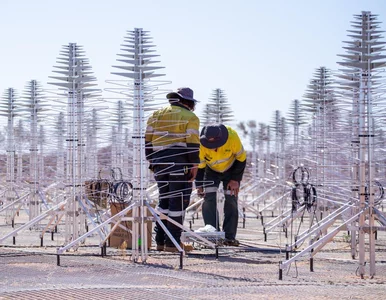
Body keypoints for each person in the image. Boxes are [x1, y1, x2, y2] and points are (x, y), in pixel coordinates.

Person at [145, 87, 200, 252]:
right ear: (188, 102)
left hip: (159, 163)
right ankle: (173, 243)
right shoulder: (190, 117)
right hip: (179, 164)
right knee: (178, 202)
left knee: (164, 201)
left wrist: (153, 161)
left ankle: (160, 241)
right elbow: (192, 143)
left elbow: (147, 141)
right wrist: (194, 165)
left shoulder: (155, 114)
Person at [195, 124, 246, 246]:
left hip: (231, 169)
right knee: (208, 199)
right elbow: (200, 167)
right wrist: (199, 184)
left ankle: (229, 237)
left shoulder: (232, 137)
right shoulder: (200, 144)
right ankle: (213, 235)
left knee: (231, 199)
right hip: (211, 170)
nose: (214, 148)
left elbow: (241, 159)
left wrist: (235, 179)